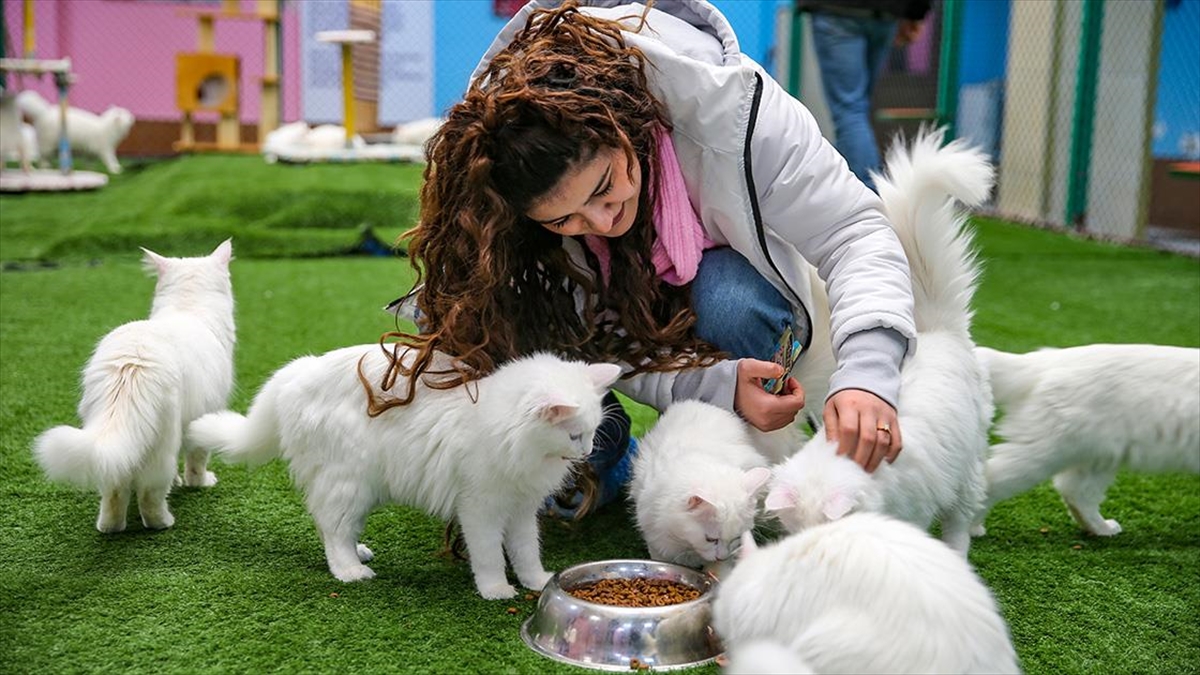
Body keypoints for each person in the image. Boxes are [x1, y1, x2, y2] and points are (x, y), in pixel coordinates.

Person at [378, 0, 915, 519]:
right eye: (564, 220)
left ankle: (725, 455)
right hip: (608, 338)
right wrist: (709, 382)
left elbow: (854, 232)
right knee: (510, 368)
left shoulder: (738, 113)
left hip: (719, 296)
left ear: (623, 124)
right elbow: (593, 333)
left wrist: (867, 374)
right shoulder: (508, 176)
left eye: (606, 187)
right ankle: (608, 455)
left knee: (730, 302)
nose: (603, 223)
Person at [799, 0, 932, 192]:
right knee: (856, 113)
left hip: (838, 12)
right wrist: (915, 12)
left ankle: (870, 197)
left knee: (851, 113)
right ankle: (840, 193)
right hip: (885, 12)